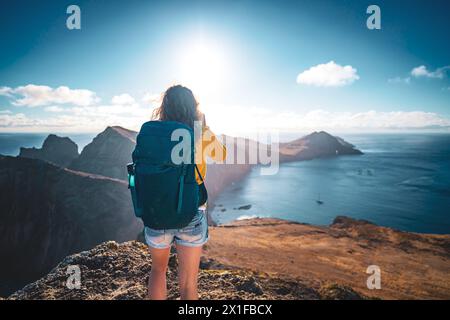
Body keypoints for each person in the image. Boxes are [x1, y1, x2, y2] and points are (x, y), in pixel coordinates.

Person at [145, 85, 226, 300]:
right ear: (193, 107)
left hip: (156, 211)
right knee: (189, 286)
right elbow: (221, 155)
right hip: (191, 210)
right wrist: (204, 126)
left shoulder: (153, 132)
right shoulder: (199, 132)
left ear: (164, 107)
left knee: (157, 271)